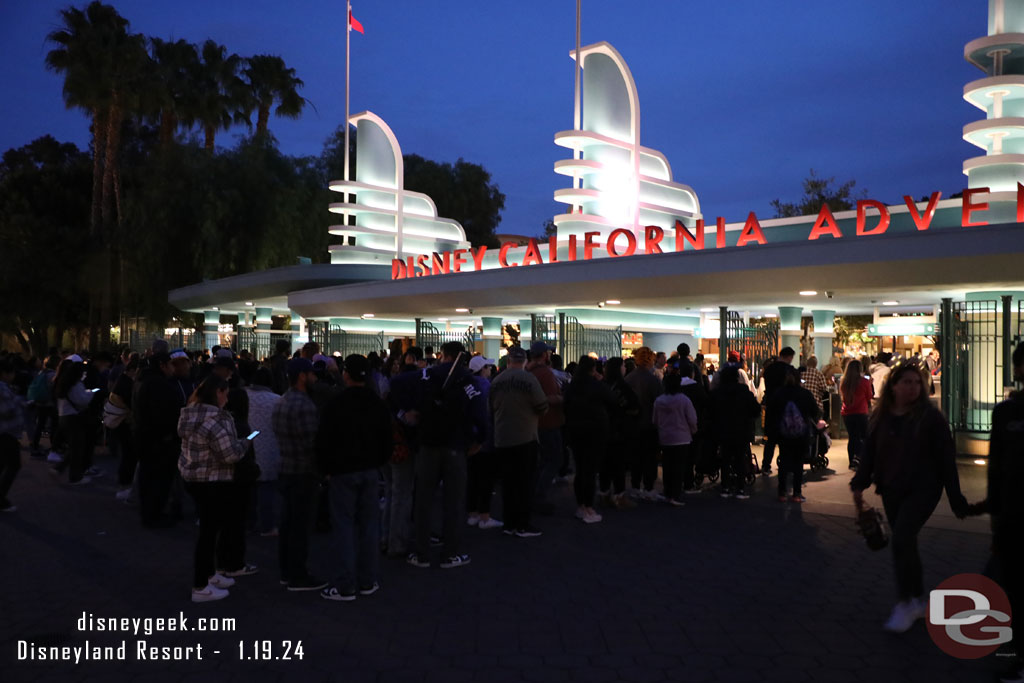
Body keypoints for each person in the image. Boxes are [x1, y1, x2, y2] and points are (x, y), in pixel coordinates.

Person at [850, 360, 969, 633]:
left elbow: (945, 460)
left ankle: (906, 602)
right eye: (907, 382)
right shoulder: (881, 417)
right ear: (893, 386)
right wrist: (859, 484)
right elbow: (870, 453)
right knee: (907, 543)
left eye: (917, 383)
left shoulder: (930, 418)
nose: (913, 388)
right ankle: (917, 598)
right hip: (891, 488)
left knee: (901, 538)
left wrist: (955, 497)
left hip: (923, 490)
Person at [316, 354, 393, 601]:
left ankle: (345, 584)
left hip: (341, 472)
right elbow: (387, 439)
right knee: (370, 526)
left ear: (345, 374)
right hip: (370, 470)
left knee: (344, 527)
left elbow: (323, 440)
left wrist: (325, 468)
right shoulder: (377, 403)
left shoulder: (336, 403)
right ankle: (368, 579)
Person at [407, 342, 487, 568]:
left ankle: (421, 553)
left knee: (423, 500)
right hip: (455, 446)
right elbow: (479, 411)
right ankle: (450, 553)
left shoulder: (426, 375)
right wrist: (479, 439)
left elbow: (400, 386)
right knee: (453, 501)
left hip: (427, 444)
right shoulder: (467, 379)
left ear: (444, 355)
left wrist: (409, 414)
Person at [177, 376, 249, 603]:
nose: (227, 399)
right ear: (218, 392)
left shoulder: (189, 414)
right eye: (225, 393)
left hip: (192, 476)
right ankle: (200, 585)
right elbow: (230, 455)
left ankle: (210, 574)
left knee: (209, 529)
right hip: (213, 479)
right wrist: (245, 443)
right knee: (208, 534)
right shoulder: (216, 419)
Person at [984, 341, 1024, 682]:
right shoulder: (1006, 413)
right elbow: (996, 467)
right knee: (1009, 582)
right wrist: (994, 510)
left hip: (1011, 511)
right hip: (1013, 512)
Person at [272, 357, 327, 591]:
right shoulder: (304, 405)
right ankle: (298, 575)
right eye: (312, 374)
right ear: (302, 376)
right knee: (301, 527)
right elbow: (312, 443)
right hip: (304, 473)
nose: (315, 378)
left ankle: (287, 571)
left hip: (286, 468)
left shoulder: (282, 401)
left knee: (288, 524)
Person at [490, 346, 549, 536]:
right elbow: (542, 406)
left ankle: (509, 523)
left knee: (508, 484)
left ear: (508, 361)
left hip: (502, 437)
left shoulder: (497, 380)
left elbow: (489, 408)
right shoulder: (529, 379)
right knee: (525, 482)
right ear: (524, 361)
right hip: (526, 437)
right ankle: (523, 524)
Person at [565, 356, 617, 523]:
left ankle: (581, 506)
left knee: (580, 470)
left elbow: (565, 405)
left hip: (575, 431)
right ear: (593, 369)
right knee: (590, 471)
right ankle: (589, 507)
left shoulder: (572, 386)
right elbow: (612, 400)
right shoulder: (597, 385)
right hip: (595, 431)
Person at [133, 351, 183, 527]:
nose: (172, 369)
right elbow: (164, 415)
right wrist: (169, 434)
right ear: (162, 365)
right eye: (170, 365)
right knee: (159, 480)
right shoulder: (161, 386)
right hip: (160, 441)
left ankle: (149, 513)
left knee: (147, 478)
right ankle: (154, 515)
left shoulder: (142, 381)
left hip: (144, 437)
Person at [766, 366, 819, 503]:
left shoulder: (778, 393)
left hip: (783, 433)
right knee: (798, 463)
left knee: (783, 461)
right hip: (801, 433)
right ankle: (796, 493)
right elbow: (815, 412)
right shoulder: (805, 394)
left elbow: (771, 412)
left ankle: (782, 493)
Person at [710, 364, 761, 499]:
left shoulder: (717, 393)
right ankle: (740, 489)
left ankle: (725, 487)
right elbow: (756, 410)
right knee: (740, 459)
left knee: (725, 459)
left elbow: (711, 411)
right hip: (742, 430)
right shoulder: (744, 392)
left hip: (724, 430)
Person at [527, 341, 565, 515]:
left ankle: (534, 494)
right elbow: (550, 397)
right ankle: (539, 496)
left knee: (541, 461)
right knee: (553, 460)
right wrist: (562, 398)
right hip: (549, 421)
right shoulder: (545, 373)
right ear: (544, 355)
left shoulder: (528, 371)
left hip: (535, 423)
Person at [465, 356, 502, 529]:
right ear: (483, 369)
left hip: (469, 437)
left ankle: (471, 513)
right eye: (488, 366)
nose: (490, 369)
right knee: (486, 479)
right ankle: (484, 516)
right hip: (486, 437)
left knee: (472, 477)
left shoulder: (466, 385)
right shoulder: (487, 386)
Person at [245, 367, 282, 536]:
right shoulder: (277, 400)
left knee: (249, 489)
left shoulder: (244, 395)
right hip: (270, 448)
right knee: (267, 489)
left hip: (247, 445)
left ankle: (249, 522)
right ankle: (267, 525)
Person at [599, 357, 639, 509]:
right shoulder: (623, 387)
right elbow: (635, 407)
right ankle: (619, 495)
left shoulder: (602, 385)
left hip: (603, 429)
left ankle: (604, 493)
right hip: (620, 431)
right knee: (618, 464)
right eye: (623, 366)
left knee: (605, 464)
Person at [653, 374, 698, 506]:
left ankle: (667, 492)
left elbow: (655, 420)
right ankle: (675, 494)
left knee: (667, 466)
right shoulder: (684, 400)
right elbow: (692, 418)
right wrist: (693, 430)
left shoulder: (659, 400)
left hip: (665, 437)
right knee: (679, 467)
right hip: (682, 437)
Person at [625, 347, 663, 500]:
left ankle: (635, 486)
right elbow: (659, 403)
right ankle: (648, 487)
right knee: (650, 457)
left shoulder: (628, 378)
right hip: (650, 424)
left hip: (632, 424)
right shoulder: (653, 380)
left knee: (636, 457)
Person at [51, 355, 95, 485]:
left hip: (63, 417)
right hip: (74, 418)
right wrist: (90, 393)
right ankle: (75, 476)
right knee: (77, 448)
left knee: (74, 447)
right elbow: (82, 400)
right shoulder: (75, 385)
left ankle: (60, 468)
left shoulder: (61, 384)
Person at [760, 346, 796, 475]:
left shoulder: (769, 369)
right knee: (785, 440)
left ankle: (766, 465)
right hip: (786, 408)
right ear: (788, 356)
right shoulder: (789, 370)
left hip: (771, 406)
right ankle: (785, 465)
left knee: (771, 440)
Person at [839, 359, 872, 470]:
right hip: (861, 412)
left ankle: (851, 460)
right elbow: (869, 396)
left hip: (847, 413)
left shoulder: (843, 381)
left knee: (852, 437)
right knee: (863, 436)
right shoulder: (864, 382)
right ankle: (859, 458)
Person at [0, 359, 23, 512]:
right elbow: (7, 411)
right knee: (14, 464)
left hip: (4, 432)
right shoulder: (2, 389)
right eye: (12, 373)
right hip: (6, 432)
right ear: (5, 374)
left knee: (2, 464)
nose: (13, 376)